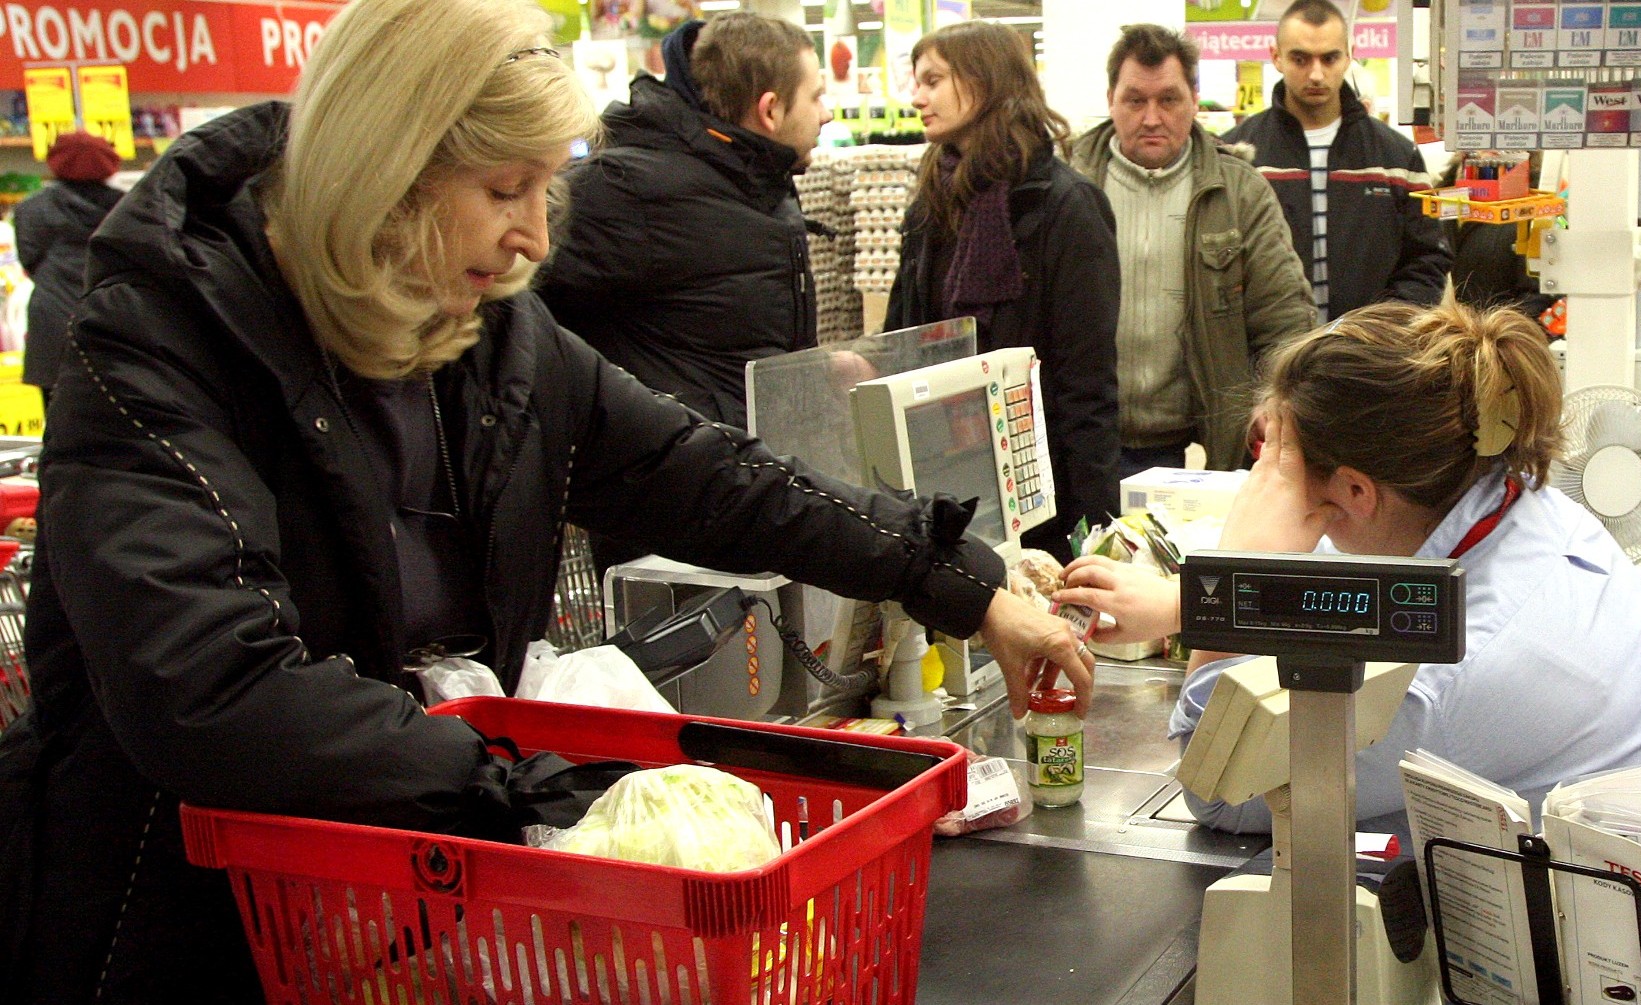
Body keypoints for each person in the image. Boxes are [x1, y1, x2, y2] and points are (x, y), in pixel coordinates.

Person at [0, 0, 1092, 999]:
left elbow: (712, 476)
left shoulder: (488, 332)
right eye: (503, 190)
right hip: (196, 933)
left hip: (415, 914)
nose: (534, 236)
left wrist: (963, 582)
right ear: (384, 168)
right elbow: (206, 685)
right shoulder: (163, 333)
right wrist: (531, 791)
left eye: (547, 189)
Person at [1053, 298, 1641, 838]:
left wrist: (1233, 574)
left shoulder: (1447, 676)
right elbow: (1363, 575)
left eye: (1298, 488)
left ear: (1358, 493)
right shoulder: (1519, 504)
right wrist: (1181, 601)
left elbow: (1221, 789)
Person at [885, 20, 1121, 562]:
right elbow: (902, 339)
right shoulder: (932, 203)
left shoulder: (1066, 205)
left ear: (984, 80)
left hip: (1041, 496)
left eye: (933, 80)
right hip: (942, 485)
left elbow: (1087, 385)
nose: (917, 96)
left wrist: (1090, 543)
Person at [538, 13, 829, 431]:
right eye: (816, 96)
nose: (828, 112)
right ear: (770, 110)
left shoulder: (758, 178)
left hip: (750, 472)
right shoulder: (628, 191)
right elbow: (514, 304)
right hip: (678, 478)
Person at [1068, 25, 1316, 478]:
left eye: (1168, 99)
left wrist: (1272, 398)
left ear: (1194, 100)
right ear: (1110, 100)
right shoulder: (1070, 188)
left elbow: (1284, 318)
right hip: (1082, 438)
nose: (1151, 118)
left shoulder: (1239, 192)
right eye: (1135, 100)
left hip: (1203, 444)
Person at [1223, 0, 1450, 324]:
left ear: (1349, 55)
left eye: (1329, 58)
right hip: (1267, 360)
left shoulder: (1397, 159)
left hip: (1366, 361)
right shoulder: (1237, 155)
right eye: (1300, 58)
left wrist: (1380, 332)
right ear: (1276, 57)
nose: (1316, 74)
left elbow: (1427, 261)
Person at [13, 129, 124, 409]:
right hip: (114, 317)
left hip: (53, 320)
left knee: (56, 409)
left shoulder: (31, 209)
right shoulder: (128, 206)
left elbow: (30, 260)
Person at [1438, 151, 1556, 322]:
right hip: (1433, 340)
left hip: (1498, 342)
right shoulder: (1437, 196)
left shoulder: (1538, 211)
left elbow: (1541, 297)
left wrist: (1494, 338)